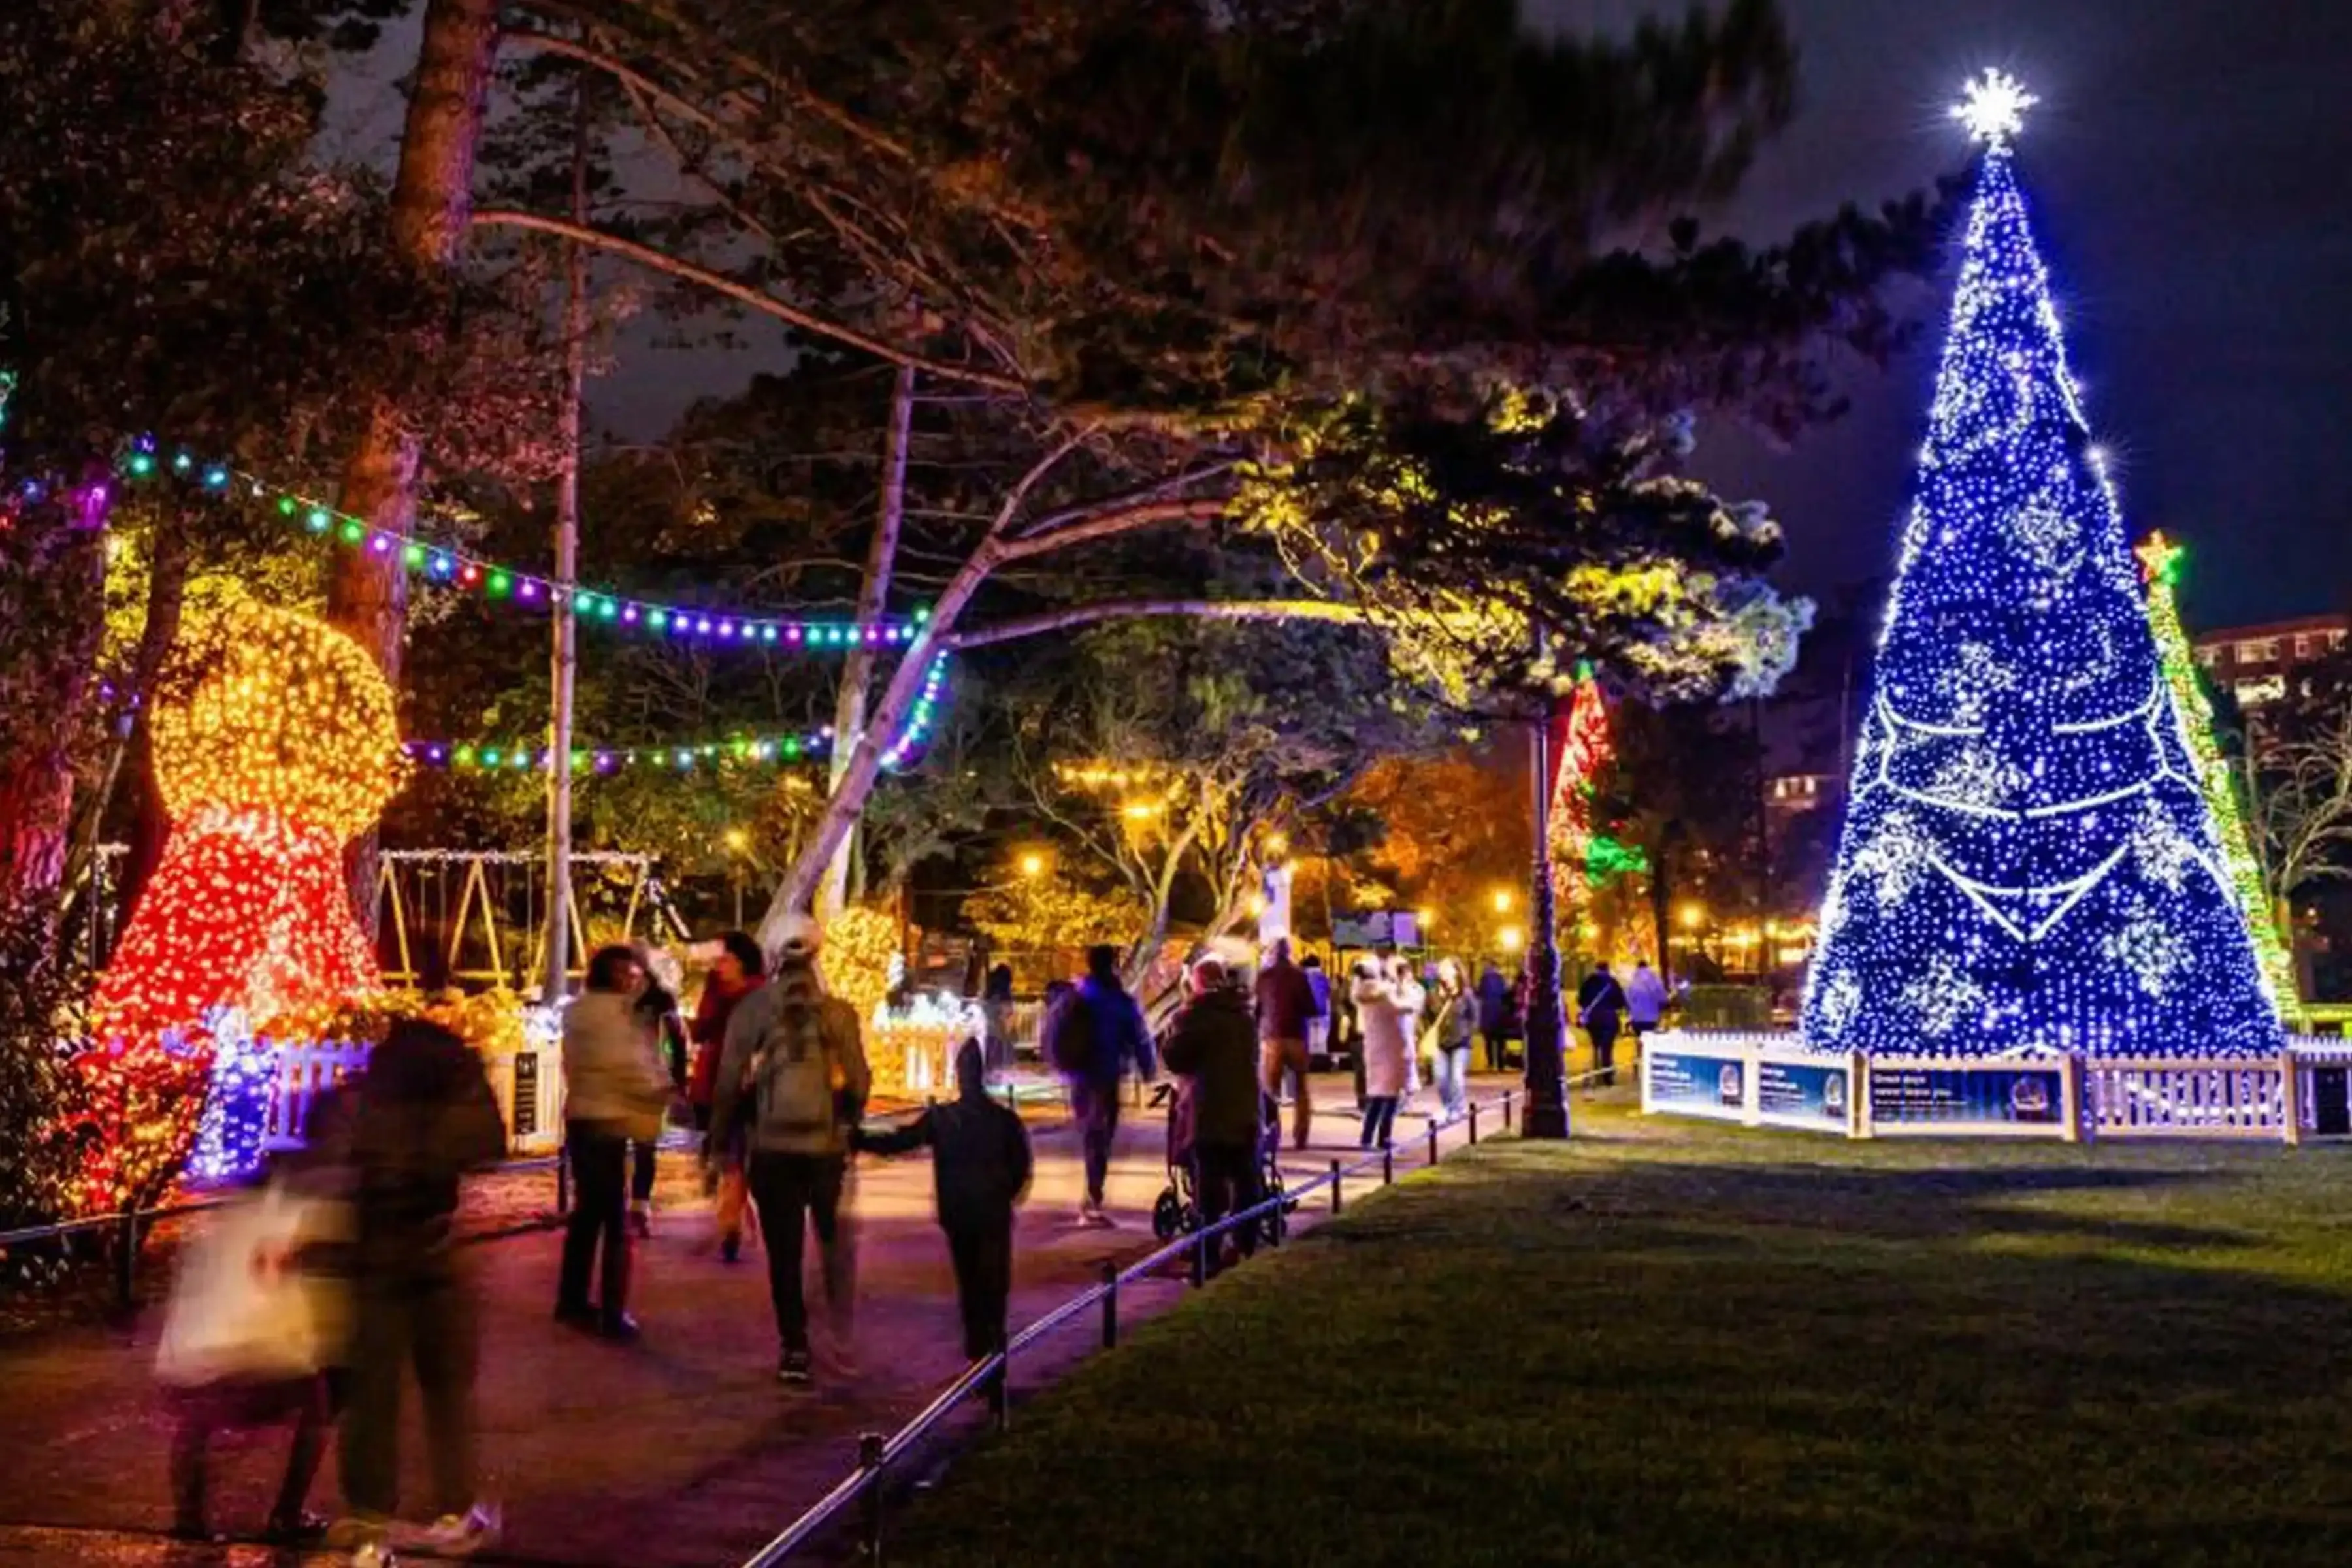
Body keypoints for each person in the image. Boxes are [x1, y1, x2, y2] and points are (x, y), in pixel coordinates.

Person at [338, 1014, 508, 1565]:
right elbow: (485, 1142)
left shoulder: (375, 1082)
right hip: (430, 1246)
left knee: (373, 1394)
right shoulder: (456, 1073)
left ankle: (370, 1524)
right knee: (447, 1387)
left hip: (373, 1250)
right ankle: (455, 1509)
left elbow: (348, 1154)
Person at [157, 1130, 350, 1547]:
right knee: (319, 1404)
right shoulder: (294, 1217)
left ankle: (189, 1518)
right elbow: (284, 1289)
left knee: (195, 1425)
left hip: (189, 1366)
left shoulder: (222, 1222)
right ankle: (286, 1515)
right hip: (250, 1363)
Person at [711, 916, 872, 1387]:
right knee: (832, 1241)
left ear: (775, 955)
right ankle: (837, 1336)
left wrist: (723, 1141)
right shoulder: (839, 1013)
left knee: (784, 1251)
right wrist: (849, 1122)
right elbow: (860, 1080)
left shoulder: (752, 1010)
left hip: (772, 1147)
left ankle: (795, 1347)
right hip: (825, 1148)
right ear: (817, 954)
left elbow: (727, 1083)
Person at [853, 1038, 1033, 1363]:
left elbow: (900, 1142)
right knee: (993, 1289)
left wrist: (859, 1139)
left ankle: (978, 1355)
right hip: (991, 1213)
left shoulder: (944, 1119)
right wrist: (1002, 1195)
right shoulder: (1004, 1121)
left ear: (959, 1075)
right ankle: (992, 1361)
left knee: (971, 1287)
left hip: (959, 1213)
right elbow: (1021, 1167)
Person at [557, 946, 672, 1341]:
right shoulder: (617, 1019)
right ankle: (612, 1311)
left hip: (580, 1115)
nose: (635, 981)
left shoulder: (577, 1014)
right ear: (618, 976)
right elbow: (631, 1067)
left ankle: (571, 1299)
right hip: (608, 1120)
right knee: (613, 1218)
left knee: (587, 1213)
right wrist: (662, 1090)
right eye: (631, 974)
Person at [1160, 956, 1264, 1276]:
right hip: (1245, 1109)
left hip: (1209, 1111)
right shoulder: (1244, 1015)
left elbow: (1177, 1059)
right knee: (1246, 1179)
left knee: (1209, 1187)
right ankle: (1246, 1244)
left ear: (1197, 983)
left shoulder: (1194, 1017)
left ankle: (1208, 1254)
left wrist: (1170, 1034)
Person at [1046, 946, 1154, 1226]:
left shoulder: (1078, 995)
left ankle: (1092, 1191)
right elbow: (1139, 1036)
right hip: (1106, 1075)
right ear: (1114, 965)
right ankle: (1093, 1195)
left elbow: (1056, 1029)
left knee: (1091, 1133)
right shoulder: (1119, 1001)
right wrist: (1148, 1069)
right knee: (1100, 1136)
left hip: (1080, 1076)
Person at [689, 931, 766, 1262]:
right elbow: (701, 1030)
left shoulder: (760, 994)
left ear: (743, 962)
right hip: (715, 1085)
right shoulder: (717, 991)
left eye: (726, 960)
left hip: (748, 1086)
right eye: (718, 960)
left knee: (736, 1157)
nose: (720, 966)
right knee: (731, 1157)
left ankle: (732, 1220)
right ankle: (732, 1215)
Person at [630, 951, 689, 1238]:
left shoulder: (659, 1001)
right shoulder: (620, 1000)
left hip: (647, 1083)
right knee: (637, 1147)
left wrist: (677, 1081)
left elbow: (676, 1042)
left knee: (643, 1147)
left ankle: (639, 1206)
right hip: (631, 1082)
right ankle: (636, 1206)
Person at [1253, 938, 1318, 1151]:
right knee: (1301, 1090)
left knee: (1270, 1092)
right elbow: (1311, 1008)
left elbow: (1257, 1010)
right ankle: (1301, 1137)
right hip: (1296, 1038)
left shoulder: (1263, 977)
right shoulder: (1300, 976)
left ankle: (1271, 1137)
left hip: (1271, 1039)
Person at [1351, 961, 1413, 1149]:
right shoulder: (1384, 995)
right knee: (1391, 1095)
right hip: (1390, 1048)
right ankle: (1384, 1137)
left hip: (1373, 1048)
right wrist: (1402, 988)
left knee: (1377, 1094)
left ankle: (1367, 1136)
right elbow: (1406, 1007)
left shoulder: (1362, 996)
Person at [1430, 958, 1478, 1120]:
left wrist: (1468, 1033)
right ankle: (1446, 1107)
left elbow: (1475, 1017)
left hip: (1461, 1044)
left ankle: (1457, 1108)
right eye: (1441, 968)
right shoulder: (1436, 994)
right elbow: (1429, 1016)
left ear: (1456, 972)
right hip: (1441, 1043)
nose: (1442, 971)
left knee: (1457, 1077)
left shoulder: (1466, 994)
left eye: (1446, 968)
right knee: (1441, 1077)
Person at [1577, 961, 1631, 1088]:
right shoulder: (1612, 983)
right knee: (1607, 1047)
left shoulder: (1588, 982)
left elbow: (1581, 1000)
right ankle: (1607, 1075)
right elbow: (1621, 1002)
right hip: (1608, 1018)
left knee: (1596, 1044)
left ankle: (1596, 1068)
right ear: (1607, 969)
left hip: (1593, 1018)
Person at [981, 962, 1017, 1076]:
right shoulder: (1005, 996)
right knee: (1000, 1061)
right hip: (1000, 1033)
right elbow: (1007, 1016)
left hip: (989, 1031)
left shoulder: (988, 995)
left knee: (991, 1060)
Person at [1625, 958, 1669, 1054]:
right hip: (1651, 1017)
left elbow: (1627, 999)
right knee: (1650, 1039)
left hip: (1637, 1018)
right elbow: (1662, 997)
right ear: (1647, 967)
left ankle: (1639, 1058)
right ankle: (1648, 1059)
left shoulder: (1632, 981)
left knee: (1639, 1038)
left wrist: (1631, 1011)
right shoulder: (1654, 980)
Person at [1477, 960, 1513, 1073]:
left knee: (1489, 1040)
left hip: (1487, 1014)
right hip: (1499, 1014)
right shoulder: (1500, 979)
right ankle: (1501, 1064)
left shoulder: (1483, 980)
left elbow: (1479, 993)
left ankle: (1491, 1063)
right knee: (1500, 1040)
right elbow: (1505, 993)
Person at [1300, 953, 1333, 1064]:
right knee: (1321, 1039)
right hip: (1322, 1012)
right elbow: (1329, 993)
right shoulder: (1323, 978)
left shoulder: (1303, 977)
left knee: (1309, 1038)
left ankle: (1310, 1060)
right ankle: (1321, 1060)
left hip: (1307, 1012)